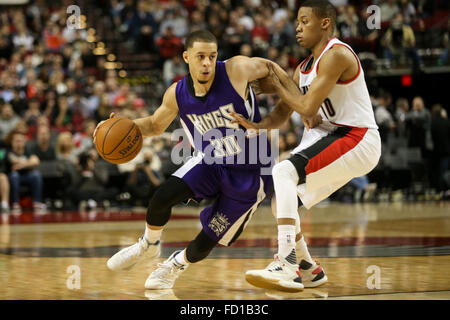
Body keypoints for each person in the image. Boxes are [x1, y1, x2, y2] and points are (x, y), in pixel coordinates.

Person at [94, 30, 276, 290]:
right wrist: (116, 126)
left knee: (208, 238)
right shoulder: (177, 93)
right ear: (186, 57)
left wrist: (300, 103)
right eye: (200, 56)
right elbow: (155, 125)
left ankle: (175, 265)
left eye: (212, 57)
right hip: (212, 161)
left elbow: (272, 70)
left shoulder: (236, 71)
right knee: (162, 196)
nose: (206, 63)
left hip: (252, 173)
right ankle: (148, 244)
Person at [232, 0, 381, 291]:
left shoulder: (336, 54)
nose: (297, 27)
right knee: (282, 203)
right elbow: (282, 114)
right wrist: (258, 124)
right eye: (297, 22)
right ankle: (308, 268)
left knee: (283, 171)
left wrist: (278, 82)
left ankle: (286, 264)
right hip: (332, 136)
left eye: (304, 21)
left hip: (357, 137)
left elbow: (307, 104)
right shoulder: (303, 69)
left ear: (325, 23)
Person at [5, 131, 45, 213]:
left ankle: (37, 202)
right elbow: (13, 160)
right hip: (12, 178)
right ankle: (15, 203)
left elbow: (36, 161)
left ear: (24, 142)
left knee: (36, 175)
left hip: (26, 176)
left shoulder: (28, 151)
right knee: (14, 175)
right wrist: (28, 163)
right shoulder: (8, 152)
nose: (19, 143)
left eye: (21, 141)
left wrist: (22, 165)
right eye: (16, 141)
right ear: (12, 142)